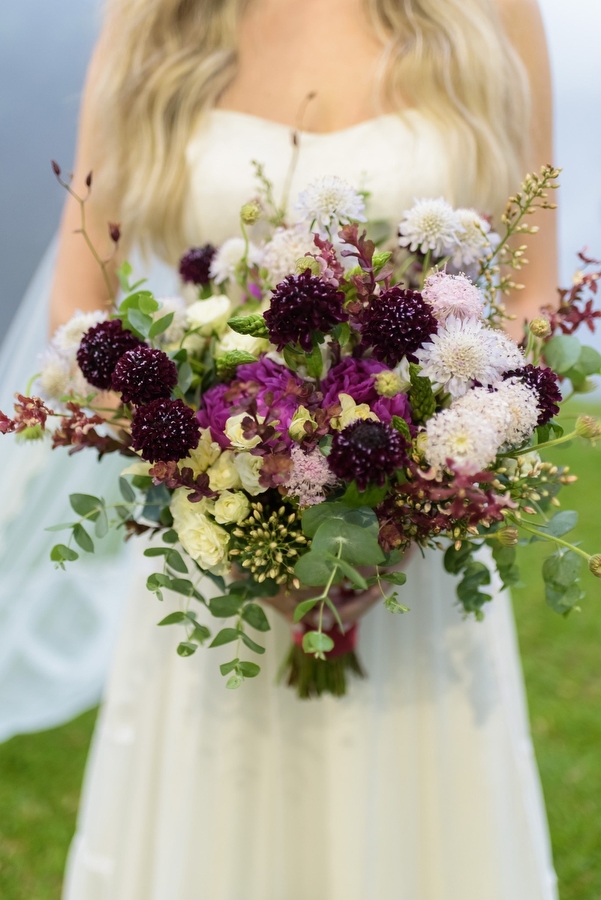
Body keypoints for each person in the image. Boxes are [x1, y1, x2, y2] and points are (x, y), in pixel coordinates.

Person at [45, 0, 560, 896]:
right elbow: (78, 309)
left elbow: (531, 300)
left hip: (413, 563)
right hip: (214, 555)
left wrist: (416, 494)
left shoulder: (493, 14)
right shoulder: (151, 18)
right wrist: (209, 479)